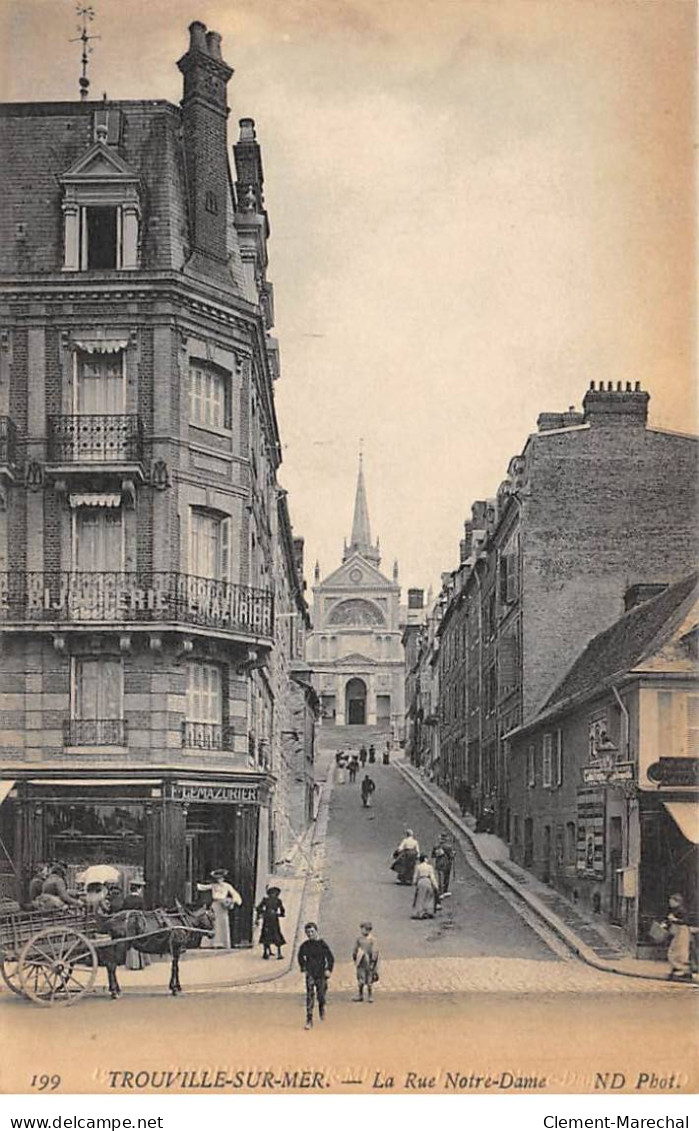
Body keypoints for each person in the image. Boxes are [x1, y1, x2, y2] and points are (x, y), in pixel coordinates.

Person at [297, 921, 334, 1029]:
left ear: (316, 932)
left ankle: (321, 1007)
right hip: (310, 973)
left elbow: (330, 958)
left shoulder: (322, 944)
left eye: (312, 932)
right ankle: (309, 1019)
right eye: (308, 932)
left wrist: (328, 970)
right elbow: (300, 956)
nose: (310, 934)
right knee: (310, 995)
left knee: (321, 995)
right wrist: (303, 966)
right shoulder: (305, 946)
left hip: (321, 973)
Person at [197, 868, 242, 949]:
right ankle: (210, 943)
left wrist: (233, 901)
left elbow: (235, 894)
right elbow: (202, 887)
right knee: (213, 922)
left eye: (220, 878)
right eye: (217, 878)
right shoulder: (213, 886)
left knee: (223, 922)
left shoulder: (227, 886)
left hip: (223, 906)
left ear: (223, 878)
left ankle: (222, 943)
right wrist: (195, 885)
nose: (219, 880)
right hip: (215, 905)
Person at [662, 894, 693, 981]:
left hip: (681, 932)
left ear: (677, 902)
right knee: (674, 950)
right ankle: (678, 969)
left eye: (672, 901)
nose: (670, 903)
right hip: (676, 932)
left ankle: (682, 970)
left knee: (680, 950)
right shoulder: (674, 910)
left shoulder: (681, 910)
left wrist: (674, 920)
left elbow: (686, 921)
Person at [352, 921, 379, 1003]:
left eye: (364, 929)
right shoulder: (359, 939)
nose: (363, 931)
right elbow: (355, 949)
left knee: (369, 980)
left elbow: (375, 951)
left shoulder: (372, 940)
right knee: (361, 979)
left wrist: (373, 962)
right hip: (361, 962)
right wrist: (355, 957)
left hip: (369, 962)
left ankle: (370, 995)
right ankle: (360, 994)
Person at [256, 885, 286, 960]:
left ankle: (266, 953)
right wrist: (281, 914)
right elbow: (282, 909)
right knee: (276, 934)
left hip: (267, 919)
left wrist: (263, 913)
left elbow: (258, 908)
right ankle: (279, 954)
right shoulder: (278, 900)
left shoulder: (265, 900)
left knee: (266, 934)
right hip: (274, 919)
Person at [411, 854, 439, 920]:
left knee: (420, 897)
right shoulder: (429, 867)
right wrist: (435, 885)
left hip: (421, 881)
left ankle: (420, 912)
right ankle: (429, 911)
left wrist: (414, 882)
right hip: (428, 881)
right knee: (429, 896)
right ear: (425, 859)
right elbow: (432, 877)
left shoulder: (418, 867)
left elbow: (415, 876)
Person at [432, 832, 455, 902]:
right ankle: (444, 891)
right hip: (447, 864)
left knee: (440, 877)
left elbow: (433, 855)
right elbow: (451, 856)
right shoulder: (448, 847)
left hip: (439, 863)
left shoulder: (436, 846)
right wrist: (453, 854)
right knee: (446, 877)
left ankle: (440, 891)